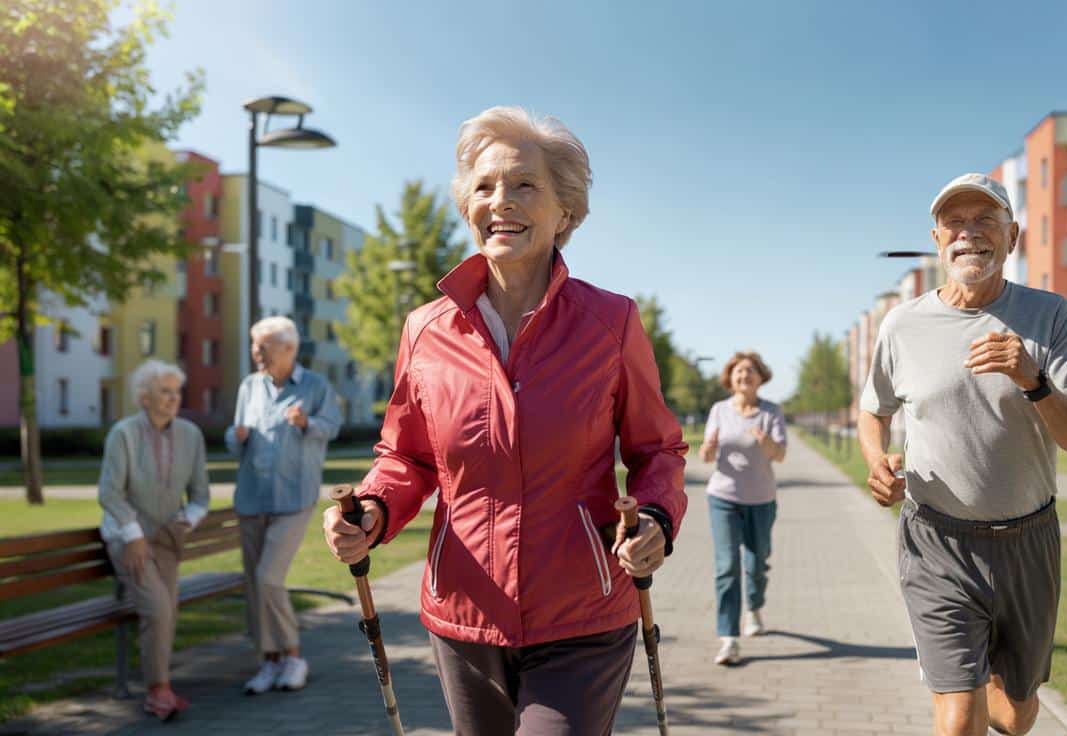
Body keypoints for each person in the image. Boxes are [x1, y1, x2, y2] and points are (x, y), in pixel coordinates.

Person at [323, 106, 687, 735]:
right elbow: (406, 456)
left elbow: (658, 450)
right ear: (468, 207)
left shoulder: (611, 323)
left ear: (564, 212)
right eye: (485, 187)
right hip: (464, 609)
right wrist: (376, 510)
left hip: (584, 612)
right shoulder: (425, 329)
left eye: (524, 185)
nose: (501, 201)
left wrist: (655, 517)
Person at [858, 173, 1067, 736]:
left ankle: (999, 683)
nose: (970, 233)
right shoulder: (903, 324)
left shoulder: (1050, 316)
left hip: (1028, 540)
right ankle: (969, 682)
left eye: (985, 220)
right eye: (955, 223)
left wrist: (1032, 379)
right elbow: (874, 410)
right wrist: (877, 461)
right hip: (936, 540)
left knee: (1015, 715)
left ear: (1012, 236)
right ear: (938, 239)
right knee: (959, 713)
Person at [226, 316, 341, 694]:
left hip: (294, 499)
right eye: (254, 345)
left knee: (268, 578)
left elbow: (332, 426)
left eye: (263, 346)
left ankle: (293, 656)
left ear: (288, 349)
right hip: (251, 498)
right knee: (255, 586)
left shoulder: (315, 386)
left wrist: (307, 423)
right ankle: (269, 662)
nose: (255, 353)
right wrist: (235, 436)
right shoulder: (249, 387)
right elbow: (234, 440)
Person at [98, 359, 210, 721]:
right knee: (158, 609)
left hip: (167, 541)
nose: (172, 399)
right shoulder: (124, 434)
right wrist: (132, 535)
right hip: (128, 539)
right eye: (164, 392)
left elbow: (201, 496)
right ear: (144, 397)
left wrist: (185, 521)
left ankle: (158, 685)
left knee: (167, 613)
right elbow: (110, 493)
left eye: (176, 392)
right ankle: (157, 692)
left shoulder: (190, 436)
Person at [697, 351, 786, 666]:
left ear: (760, 377)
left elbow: (780, 455)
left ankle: (754, 606)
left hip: (761, 500)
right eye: (738, 371)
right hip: (722, 497)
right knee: (727, 566)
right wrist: (707, 449)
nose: (744, 375)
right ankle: (728, 638)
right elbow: (706, 457)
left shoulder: (770, 412)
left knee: (757, 563)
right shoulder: (719, 410)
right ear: (730, 378)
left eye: (750, 371)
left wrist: (766, 443)